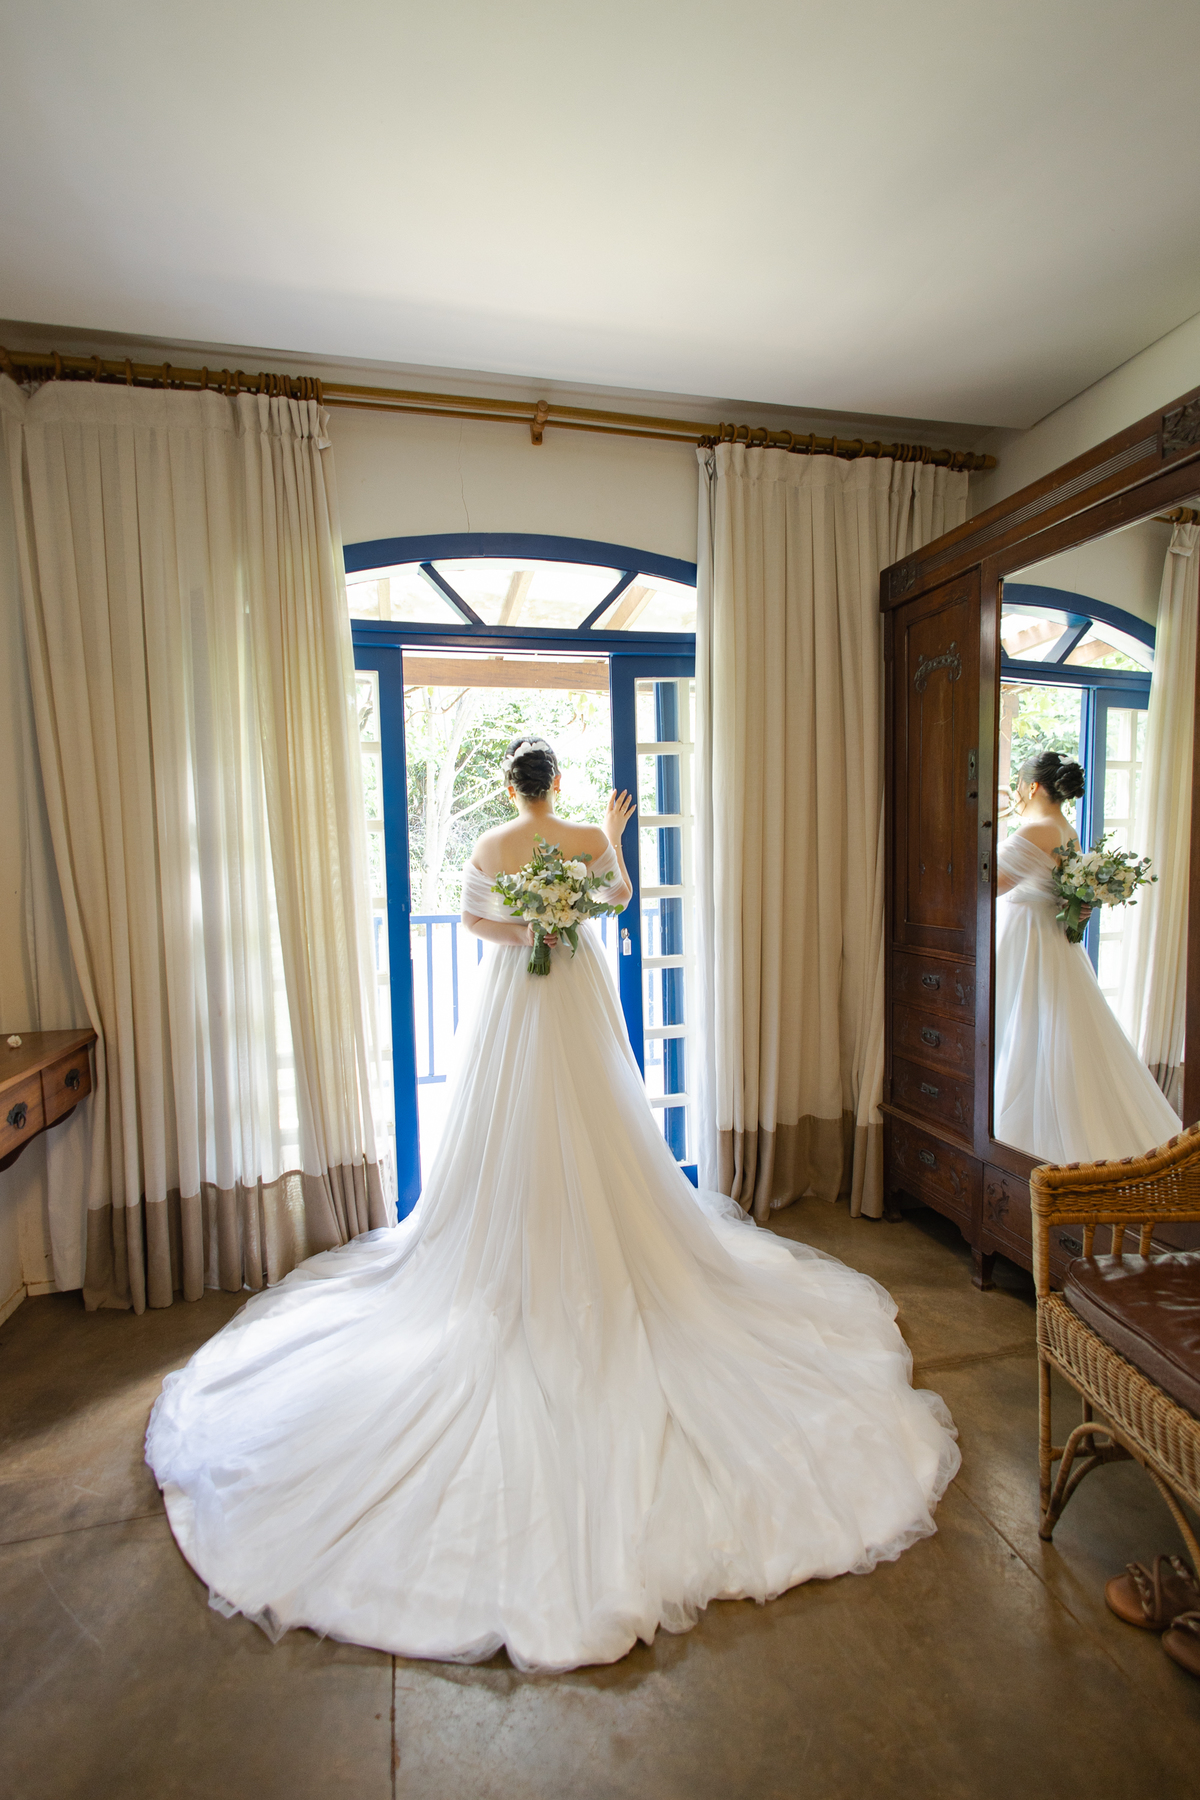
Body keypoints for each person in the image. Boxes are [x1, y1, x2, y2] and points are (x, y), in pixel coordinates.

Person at [146, 735, 959, 1674]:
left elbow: (473, 925)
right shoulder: (582, 837)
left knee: (515, 1127)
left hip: (517, 999)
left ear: (509, 786)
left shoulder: (492, 844)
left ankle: (515, 1250)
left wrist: (527, 928)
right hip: (576, 995)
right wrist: (601, 853)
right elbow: (616, 901)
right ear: (557, 784)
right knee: (598, 1116)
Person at [993, 750, 1179, 1164]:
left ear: (1033, 786)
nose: (1016, 792)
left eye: (1018, 784)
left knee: (1026, 1028)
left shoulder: (1035, 830)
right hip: (1052, 940)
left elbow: (988, 883)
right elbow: (1069, 895)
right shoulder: (1065, 829)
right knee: (1049, 1030)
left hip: (1030, 940)